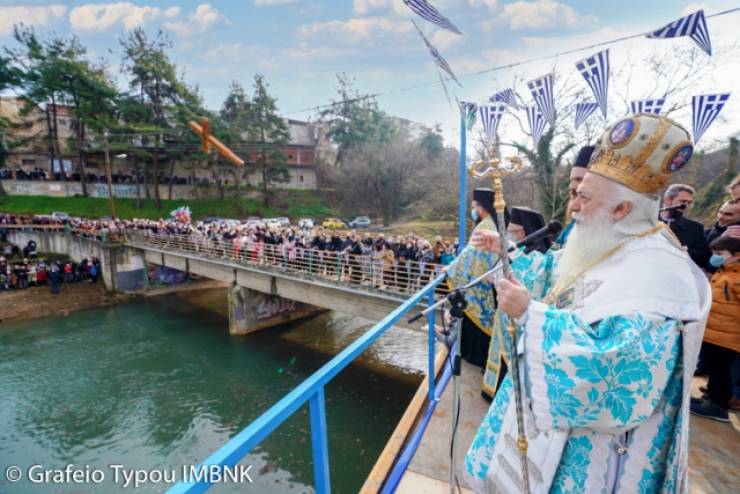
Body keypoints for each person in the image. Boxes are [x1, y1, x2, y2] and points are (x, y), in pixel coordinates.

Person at [465, 114, 710, 493]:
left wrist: (531, 314)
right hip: (557, 428)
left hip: (599, 447)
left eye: (584, 196)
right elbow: (552, 275)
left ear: (622, 209)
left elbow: (621, 366)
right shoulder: (607, 238)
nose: (574, 206)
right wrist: (507, 250)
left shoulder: (662, 272)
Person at [445, 188, 508, 369]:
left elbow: (470, 254)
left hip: (480, 282)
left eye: (474, 206)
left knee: (475, 320)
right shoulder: (489, 223)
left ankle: (474, 356)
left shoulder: (486, 225)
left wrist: (451, 269)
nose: (473, 210)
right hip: (485, 279)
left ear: (481, 207)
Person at [690, 234, 740, 422]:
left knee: (721, 370)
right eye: (714, 252)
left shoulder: (736, 277)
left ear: (737, 255)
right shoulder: (724, 272)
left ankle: (718, 406)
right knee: (714, 367)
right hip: (716, 333)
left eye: (720, 253)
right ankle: (710, 397)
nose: (715, 256)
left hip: (729, 335)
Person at [660, 183, 711, 270]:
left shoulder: (696, 228)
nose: (686, 206)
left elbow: (703, 256)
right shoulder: (648, 221)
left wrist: (677, 251)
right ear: (667, 200)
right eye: (683, 201)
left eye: (689, 203)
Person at [555, 145, 594, 247]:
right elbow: (553, 252)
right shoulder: (572, 226)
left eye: (583, 194)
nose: (573, 206)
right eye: (573, 193)